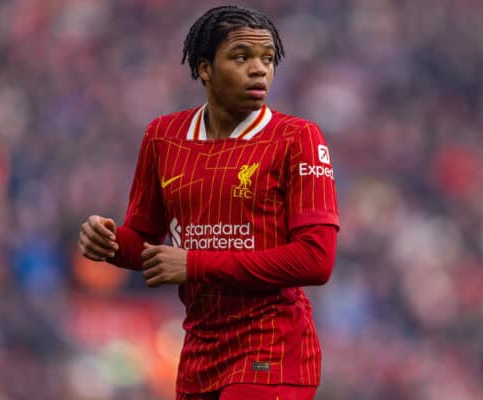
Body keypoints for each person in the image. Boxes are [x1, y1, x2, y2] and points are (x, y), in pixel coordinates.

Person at [79, 5, 339, 400]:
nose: (259, 70)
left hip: (272, 348)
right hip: (199, 352)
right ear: (204, 68)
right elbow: (144, 243)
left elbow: (316, 259)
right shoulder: (163, 136)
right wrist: (111, 243)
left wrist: (195, 264)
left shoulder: (298, 139)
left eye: (267, 59)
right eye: (241, 57)